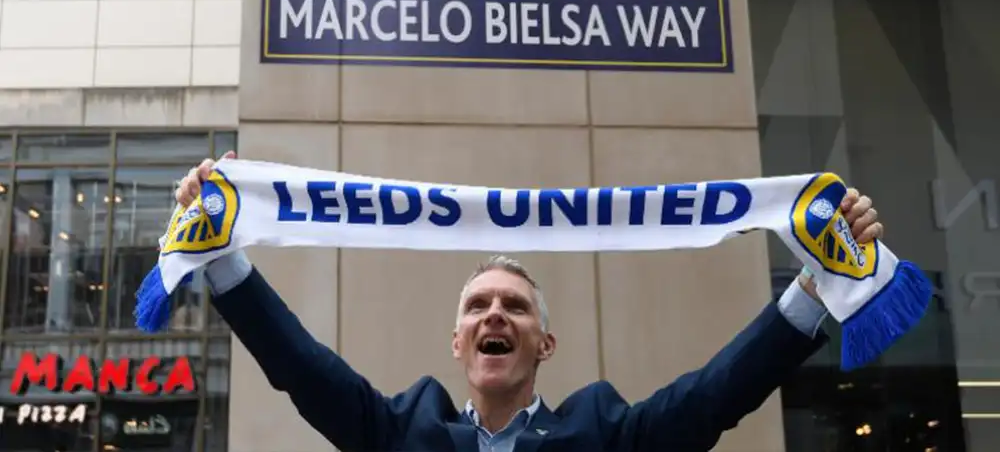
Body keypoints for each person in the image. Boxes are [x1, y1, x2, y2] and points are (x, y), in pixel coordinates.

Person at [176, 152, 884, 452]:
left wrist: (818, 286)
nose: (493, 314)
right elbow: (301, 368)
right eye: (478, 305)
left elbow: (715, 396)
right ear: (456, 342)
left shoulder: (604, 433)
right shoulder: (401, 432)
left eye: (514, 307)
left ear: (545, 344)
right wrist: (222, 254)